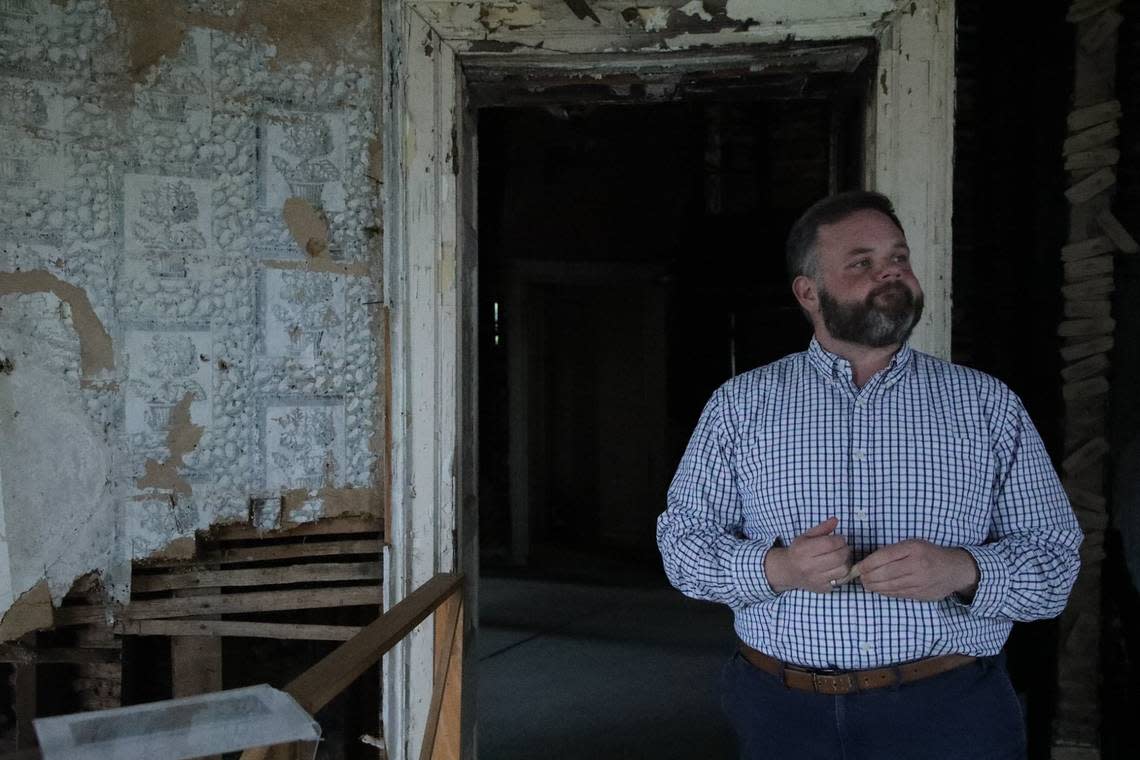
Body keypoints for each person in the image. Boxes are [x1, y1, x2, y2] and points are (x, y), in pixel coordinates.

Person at [656, 191, 1082, 760]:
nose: (891, 273)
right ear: (808, 292)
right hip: (782, 712)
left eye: (899, 258)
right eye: (862, 262)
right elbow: (680, 547)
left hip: (950, 712)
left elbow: (1057, 562)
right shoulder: (741, 406)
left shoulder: (986, 406)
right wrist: (777, 567)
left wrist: (962, 570)